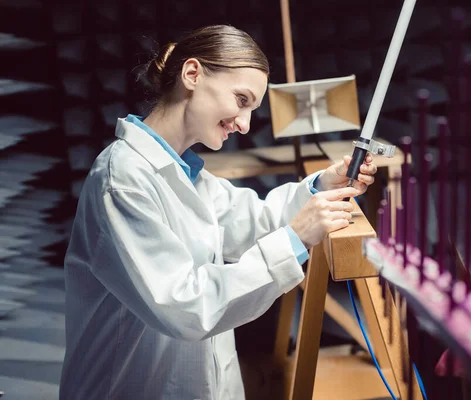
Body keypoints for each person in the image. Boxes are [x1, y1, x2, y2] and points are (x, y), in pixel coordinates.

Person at [59, 25, 378, 400]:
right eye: (241, 100)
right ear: (192, 74)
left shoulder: (186, 173)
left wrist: (322, 184)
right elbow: (185, 306)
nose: (243, 124)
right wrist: (294, 239)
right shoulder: (122, 179)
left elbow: (255, 221)